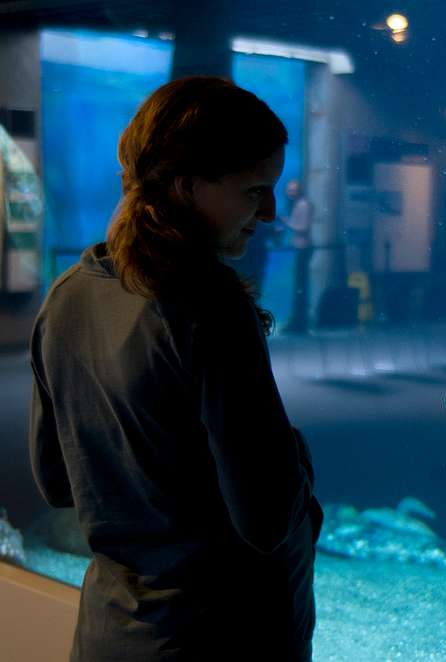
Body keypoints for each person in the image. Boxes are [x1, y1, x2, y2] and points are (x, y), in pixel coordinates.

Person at [28, 77, 322, 661]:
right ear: (189, 187)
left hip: (111, 634)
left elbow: (57, 482)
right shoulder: (208, 307)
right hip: (219, 636)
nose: (268, 212)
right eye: (254, 191)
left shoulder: (67, 295)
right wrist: (295, 459)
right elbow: (265, 519)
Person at [283, 178, 313, 334]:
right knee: (299, 285)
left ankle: (300, 321)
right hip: (300, 248)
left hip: (303, 248)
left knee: (300, 285)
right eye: (289, 190)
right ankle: (299, 320)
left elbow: (302, 227)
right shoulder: (300, 204)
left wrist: (287, 222)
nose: (290, 193)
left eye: (293, 190)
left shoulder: (303, 204)